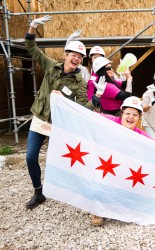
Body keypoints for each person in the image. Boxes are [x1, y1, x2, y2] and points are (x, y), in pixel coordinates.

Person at [24, 15, 105, 209]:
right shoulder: (51, 66)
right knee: (30, 157)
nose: (76, 58)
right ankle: (38, 191)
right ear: (65, 55)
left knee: (64, 160)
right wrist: (32, 27)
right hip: (40, 119)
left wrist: (97, 98)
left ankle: (76, 192)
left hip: (59, 125)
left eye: (79, 57)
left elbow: (83, 107)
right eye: (73, 55)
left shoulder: (79, 83)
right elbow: (31, 49)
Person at [91, 96, 151, 226]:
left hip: (124, 169)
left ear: (139, 117)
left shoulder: (141, 135)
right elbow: (87, 115)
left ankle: (120, 205)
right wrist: (64, 101)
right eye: (128, 113)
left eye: (135, 114)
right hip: (106, 165)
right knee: (100, 178)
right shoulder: (110, 121)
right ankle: (98, 210)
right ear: (121, 113)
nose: (131, 117)